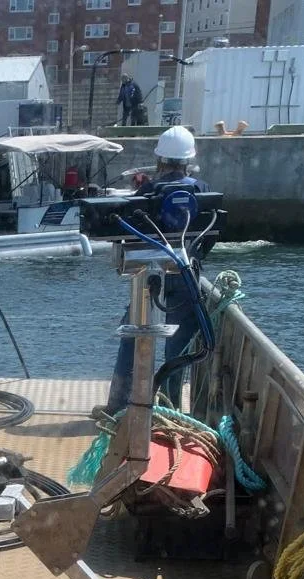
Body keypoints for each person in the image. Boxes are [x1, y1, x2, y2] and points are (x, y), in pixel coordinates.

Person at [105, 126, 212, 414]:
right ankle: (171, 409)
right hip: (187, 277)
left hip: (148, 277)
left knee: (133, 336)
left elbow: (129, 230)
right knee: (178, 348)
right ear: (188, 160)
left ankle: (117, 407)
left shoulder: (149, 191)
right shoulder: (201, 189)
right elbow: (210, 234)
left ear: (160, 160)